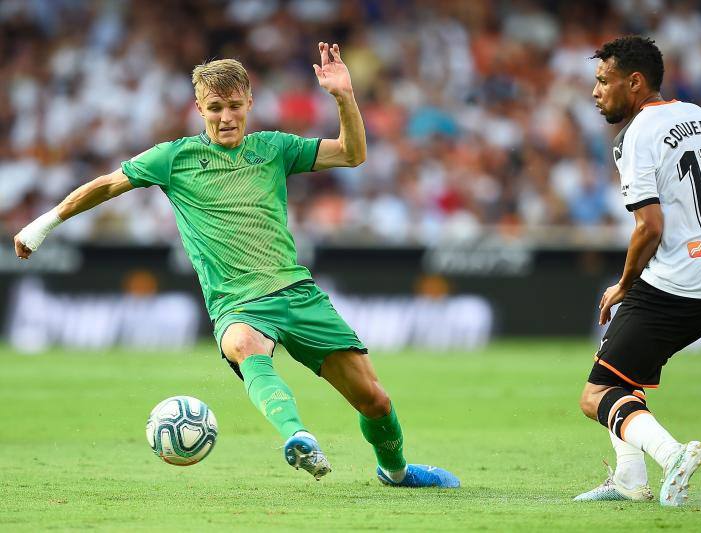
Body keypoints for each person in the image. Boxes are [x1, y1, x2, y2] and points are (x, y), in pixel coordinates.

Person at [14, 43, 459, 489]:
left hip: (297, 293)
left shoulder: (275, 148)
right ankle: (297, 436)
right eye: (214, 108)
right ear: (198, 109)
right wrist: (44, 224)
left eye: (232, 105)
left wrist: (344, 96)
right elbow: (107, 185)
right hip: (236, 304)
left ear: (249, 101)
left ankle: (396, 471)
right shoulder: (173, 158)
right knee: (246, 345)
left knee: (375, 401)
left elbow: (351, 154)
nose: (225, 117)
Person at [574, 36, 701, 506]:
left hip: (682, 281)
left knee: (596, 395)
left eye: (603, 81)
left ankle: (672, 455)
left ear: (634, 82)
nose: (595, 92)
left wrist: (624, 285)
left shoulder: (639, 134)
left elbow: (648, 227)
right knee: (620, 369)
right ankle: (630, 480)